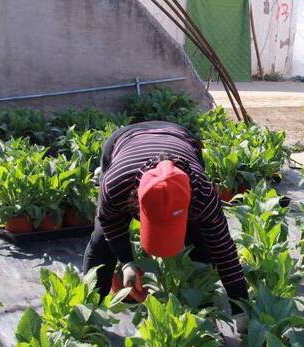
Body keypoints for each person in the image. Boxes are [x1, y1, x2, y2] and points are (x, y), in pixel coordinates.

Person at [83, 121, 248, 334]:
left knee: (202, 243)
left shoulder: (202, 194)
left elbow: (224, 250)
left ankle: (204, 319)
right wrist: (126, 263)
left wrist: (241, 309)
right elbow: (109, 222)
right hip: (123, 142)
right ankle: (88, 315)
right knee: (100, 243)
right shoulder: (116, 185)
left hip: (180, 139)